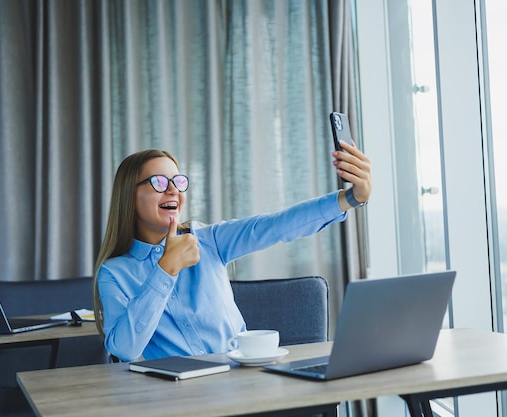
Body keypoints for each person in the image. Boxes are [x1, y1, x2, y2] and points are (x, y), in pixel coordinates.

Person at [93, 145, 371, 361]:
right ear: (130, 196)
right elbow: (125, 349)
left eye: (177, 181)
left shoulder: (208, 239)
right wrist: (166, 269)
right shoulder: (115, 273)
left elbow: (275, 226)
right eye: (159, 183)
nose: (173, 191)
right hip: (179, 401)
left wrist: (350, 198)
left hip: (241, 382)